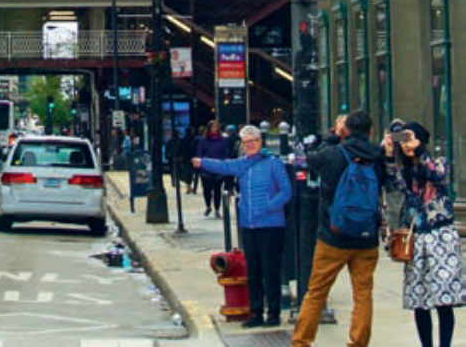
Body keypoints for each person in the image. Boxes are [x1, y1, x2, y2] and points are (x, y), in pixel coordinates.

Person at [291, 109, 390, 347]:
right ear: (371, 131)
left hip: (332, 235)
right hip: (366, 238)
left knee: (316, 293)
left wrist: (331, 139)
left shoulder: (332, 154)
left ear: (345, 130)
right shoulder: (378, 157)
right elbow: (390, 182)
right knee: (363, 294)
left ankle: (302, 342)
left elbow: (300, 160)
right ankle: (358, 343)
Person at [193, 124, 292, 328]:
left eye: (253, 141)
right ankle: (255, 313)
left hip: (271, 226)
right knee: (253, 271)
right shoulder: (242, 164)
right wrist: (201, 162)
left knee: (270, 270)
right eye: (246, 142)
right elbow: (223, 166)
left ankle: (273, 313)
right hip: (249, 225)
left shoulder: (273, 163)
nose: (250, 145)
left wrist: (269, 206)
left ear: (260, 142)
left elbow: (286, 191)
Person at [384, 121, 463, 347]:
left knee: (444, 298)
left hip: (441, 236)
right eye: (404, 141)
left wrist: (418, 150)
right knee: (420, 299)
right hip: (416, 237)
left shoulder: (438, 162)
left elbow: (437, 175)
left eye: (411, 139)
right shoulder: (404, 169)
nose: (407, 145)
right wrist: (390, 155)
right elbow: (393, 185)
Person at [196, 119, 230, 216]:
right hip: (206, 168)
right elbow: (199, 152)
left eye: (216, 127)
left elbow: (226, 152)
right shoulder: (203, 140)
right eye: (213, 127)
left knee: (217, 189)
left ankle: (217, 209)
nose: (215, 129)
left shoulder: (223, 140)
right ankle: (208, 206)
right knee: (206, 189)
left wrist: (223, 163)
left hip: (218, 168)